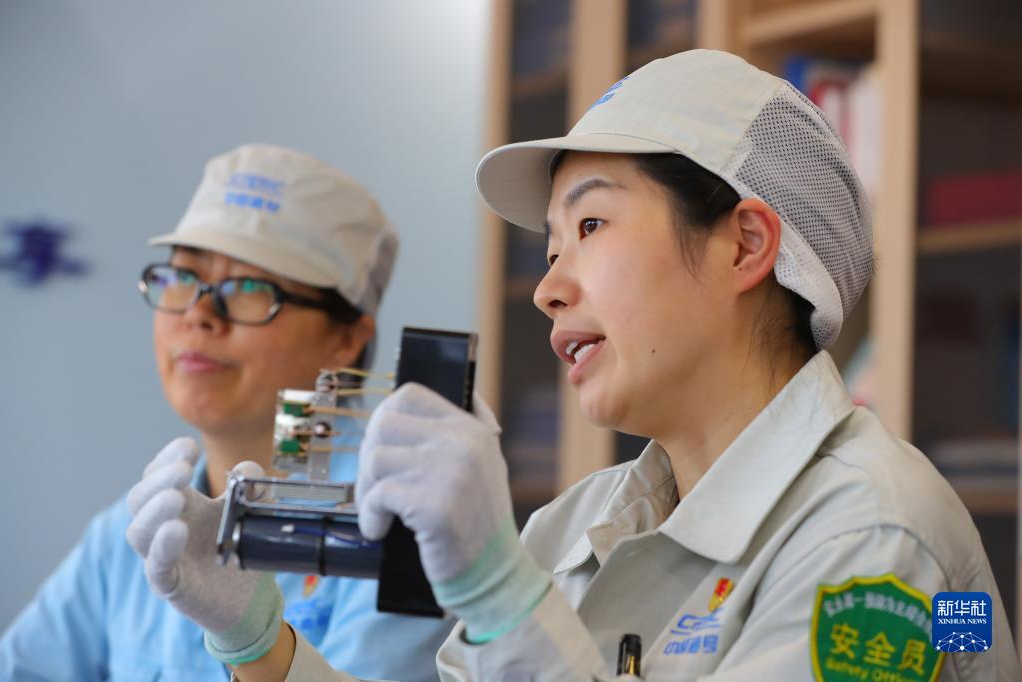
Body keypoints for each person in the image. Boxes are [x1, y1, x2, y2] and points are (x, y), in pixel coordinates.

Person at [128, 52, 1022, 681]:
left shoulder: (871, 539)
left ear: (745, 244)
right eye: (551, 247)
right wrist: (259, 643)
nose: (548, 289)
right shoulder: (572, 529)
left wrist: (499, 596)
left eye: (591, 226)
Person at [0, 144, 454, 681]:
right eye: (183, 277)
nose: (199, 313)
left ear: (346, 338)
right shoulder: (128, 536)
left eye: (250, 289)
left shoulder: (406, 524)